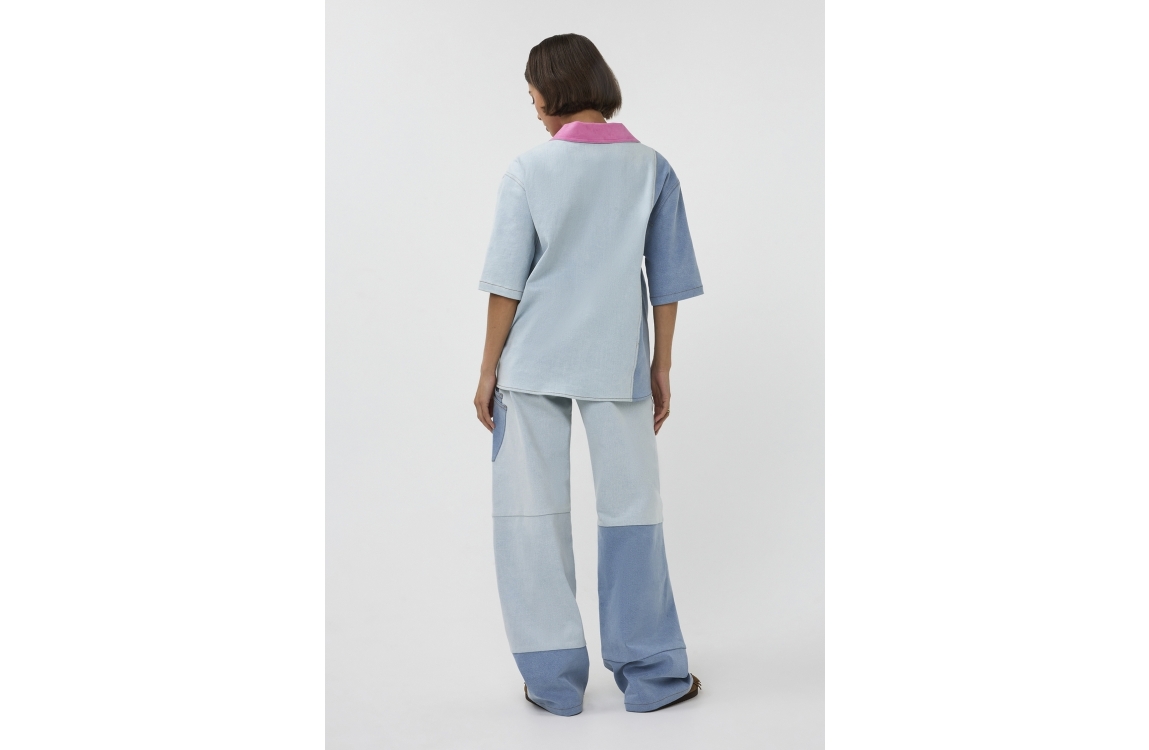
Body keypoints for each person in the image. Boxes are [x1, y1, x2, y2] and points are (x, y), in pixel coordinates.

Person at [472, 33, 704, 716]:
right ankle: (652, 675)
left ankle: (552, 684)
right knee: (633, 516)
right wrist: (662, 365)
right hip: (617, 363)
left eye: (532, 98)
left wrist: (486, 371)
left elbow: (506, 284)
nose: (535, 112)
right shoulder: (653, 168)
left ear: (553, 90)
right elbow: (668, 282)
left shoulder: (527, 169)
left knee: (530, 520)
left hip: (529, 365)